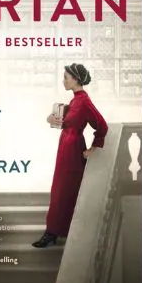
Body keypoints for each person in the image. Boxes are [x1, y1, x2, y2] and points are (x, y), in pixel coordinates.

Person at [32, 63, 108, 249]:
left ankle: (53, 233)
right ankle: (55, 231)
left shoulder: (84, 101)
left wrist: (94, 147)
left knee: (65, 191)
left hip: (73, 150)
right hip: (64, 147)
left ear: (75, 79)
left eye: (66, 78)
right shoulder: (75, 101)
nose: (63, 81)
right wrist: (51, 119)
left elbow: (102, 125)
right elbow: (63, 121)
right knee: (60, 190)